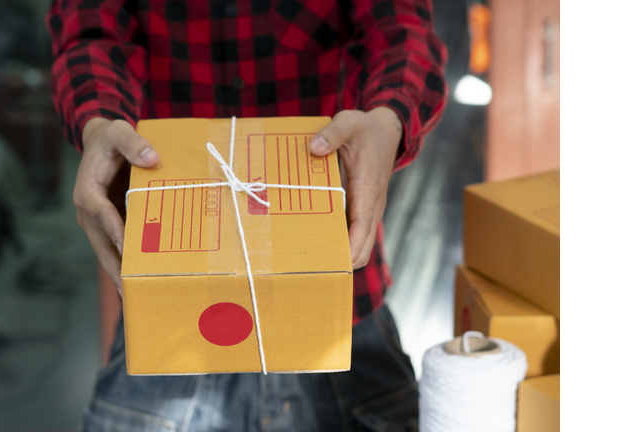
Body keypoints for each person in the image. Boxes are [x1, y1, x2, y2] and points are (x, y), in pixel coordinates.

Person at [47, 1, 446, 430]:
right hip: (170, 298)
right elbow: (93, 33)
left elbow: (401, 29)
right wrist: (97, 123)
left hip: (336, 297)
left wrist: (389, 119)